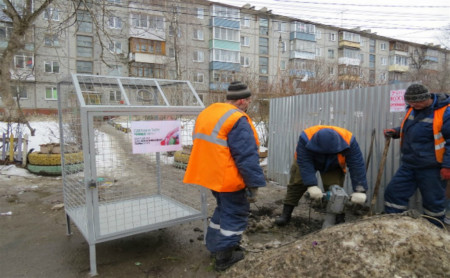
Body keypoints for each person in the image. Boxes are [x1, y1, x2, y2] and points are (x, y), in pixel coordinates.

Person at [183, 81, 266, 271]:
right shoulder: (237, 119)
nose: (249, 103)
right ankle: (224, 257)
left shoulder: (208, 112)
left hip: (210, 175)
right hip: (228, 178)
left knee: (223, 210)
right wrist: (253, 184)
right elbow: (246, 155)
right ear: (243, 101)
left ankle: (214, 246)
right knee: (235, 213)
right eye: (249, 100)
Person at [383, 83, 450, 227]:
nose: (413, 105)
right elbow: (412, 128)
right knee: (393, 193)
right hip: (409, 164)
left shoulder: (445, 112)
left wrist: (447, 166)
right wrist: (396, 132)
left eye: (416, 102)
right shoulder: (413, 109)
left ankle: (434, 233)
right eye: (410, 102)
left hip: (432, 167)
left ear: (426, 98)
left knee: (433, 204)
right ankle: (393, 228)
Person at [275, 125, 368, 227]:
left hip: (334, 162)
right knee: (297, 183)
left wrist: (360, 190)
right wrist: (311, 185)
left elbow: (357, 165)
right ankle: (286, 215)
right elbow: (305, 162)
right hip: (307, 160)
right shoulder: (305, 137)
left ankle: (339, 218)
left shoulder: (349, 140)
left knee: (336, 190)